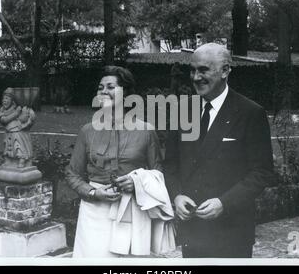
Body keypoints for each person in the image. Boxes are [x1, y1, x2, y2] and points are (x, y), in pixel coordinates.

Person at [164, 43, 275, 258]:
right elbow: (170, 163)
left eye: (203, 70)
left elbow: (262, 172)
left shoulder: (250, 113)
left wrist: (224, 203)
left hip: (232, 232)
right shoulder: (182, 111)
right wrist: (176, 195)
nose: (196, 77)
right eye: (192, 70)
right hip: (192, 231)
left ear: (225, 71)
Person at [66, 66, 175, 258]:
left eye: (110, 86)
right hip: (94, 211)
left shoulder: (146, 131)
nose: (103, 92)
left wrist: (136, 182)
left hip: (132, 210)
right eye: (100, 88)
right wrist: (92, 192)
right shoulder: (87, 131)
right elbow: (72, 173)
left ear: (126, 94)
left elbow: (158, 172)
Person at [0, 87, 35, 168]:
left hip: (18, 130)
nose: (4, 100)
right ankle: (9, 160)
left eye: (7, 99)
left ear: (12, 100)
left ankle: (22, 160)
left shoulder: (18, 108)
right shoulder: (3, 110)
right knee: (8, 147)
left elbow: (28, 117)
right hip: (9, 131)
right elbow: (4, 120)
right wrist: (16, 113)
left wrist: (26, 115)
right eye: (3, 99)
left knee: (19, 146)